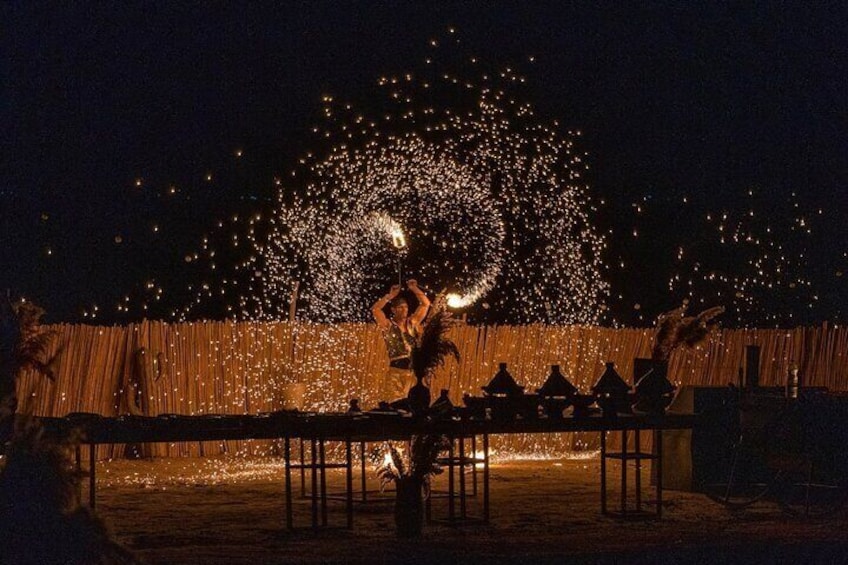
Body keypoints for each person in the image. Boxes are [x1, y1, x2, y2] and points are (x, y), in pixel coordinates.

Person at [371, 279, 431, 400]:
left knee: (413, 404)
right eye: (400, 307)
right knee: (394, 402)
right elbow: (375, 310)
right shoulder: (388, 326)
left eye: (406, 307)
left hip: (412, 374)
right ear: (393, 310)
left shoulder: (412, 323)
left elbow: (425, 304)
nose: (404, 310)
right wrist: (390, 296)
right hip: (396, 373)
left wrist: (414, 288)